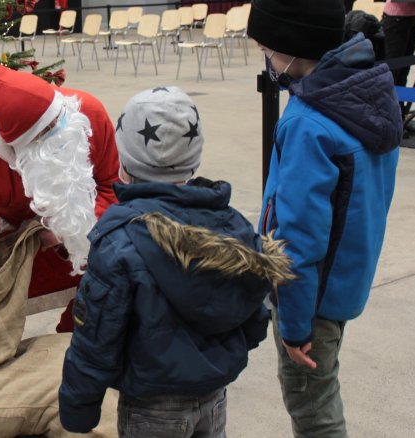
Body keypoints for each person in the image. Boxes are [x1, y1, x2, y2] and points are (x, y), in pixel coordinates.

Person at [59, 87, 294, 437]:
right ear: (194, 158)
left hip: (150, 406)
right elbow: (255, 308)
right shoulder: (233, 226)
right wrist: (224, 353)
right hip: (214, 395)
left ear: (125, 163)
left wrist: (79, 407)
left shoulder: (119, 240)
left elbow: (97, 334)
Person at [247, 1, 402, 436]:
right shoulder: (367, 91)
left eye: (268, 48)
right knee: (321, 389)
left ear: (295, 47)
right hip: (344, 281)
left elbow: (296, 235)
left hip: (309, 299)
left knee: (313, 409)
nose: (267, 59)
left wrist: (295, 325)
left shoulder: (309, 123)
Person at [0, 31, 120, 332]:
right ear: (24, 152)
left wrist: (66, 228)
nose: (65, 133)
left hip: (83, 214)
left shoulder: (89, 114)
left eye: (63, 121)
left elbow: (112, 186)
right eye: (51, 138)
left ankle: (78, 329)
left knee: (123, 250)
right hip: (15, 232)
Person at [381, 0, 415, 135]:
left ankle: (400, 117)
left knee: (404, 72)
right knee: (392, 73)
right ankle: (389, 120)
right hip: (397, 18)